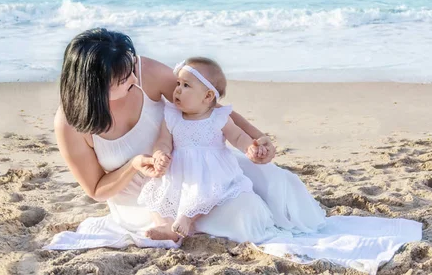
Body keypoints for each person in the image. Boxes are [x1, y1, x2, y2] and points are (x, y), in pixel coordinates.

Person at [53, 28, 279, 243]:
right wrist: (133, 165)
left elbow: (209, 108)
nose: (134, 79)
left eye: (132, 70)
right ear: (96, 86)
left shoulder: (145, 71)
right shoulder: (68, 124)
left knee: (267, 188)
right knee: (221, 220)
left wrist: (257, 137)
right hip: (142, 203)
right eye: (124, 80)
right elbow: (96, 190)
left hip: (196, 174)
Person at [138, 57, 261, 240]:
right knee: (156, 195)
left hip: (210, 171)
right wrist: (160, 153)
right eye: (178, 83)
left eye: (186, 85)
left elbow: (237, 136)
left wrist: (249, 147)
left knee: (207, 191)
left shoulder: (218, 117)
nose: (177, 89)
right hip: (180, 170)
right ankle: (164, 224)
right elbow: (163, 140)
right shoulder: (172, 115)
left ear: (208, 96)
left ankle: (187, 218)